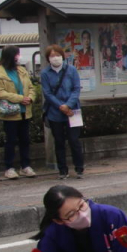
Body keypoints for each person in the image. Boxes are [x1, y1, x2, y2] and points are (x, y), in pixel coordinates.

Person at [0, 45, 37, 180]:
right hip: (10, 113)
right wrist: (19, 98)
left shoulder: (22, 70)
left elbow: (31, 87)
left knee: (25, 140)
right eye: (17, 54)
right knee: (11, 140)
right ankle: (9, 167)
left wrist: (30, 98)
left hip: (25, 111)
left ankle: (25, 166)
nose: (19, 57)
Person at [40, 45, 84, 180]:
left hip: (73, 110)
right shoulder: (45, 73)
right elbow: (47, 93)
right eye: (52, 56)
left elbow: (76, 89)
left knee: (74, 140)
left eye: (58, 55)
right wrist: (61, 106)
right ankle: (62, 170)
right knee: (59, 141)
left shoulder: (71, 70)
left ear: (62, 56)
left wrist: (68, 105)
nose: (55, 58)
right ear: (48, 58)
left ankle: (79, 168)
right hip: (55, 111)